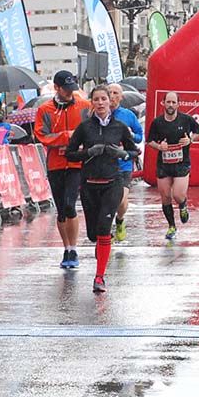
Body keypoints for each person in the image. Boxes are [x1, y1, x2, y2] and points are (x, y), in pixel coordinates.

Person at [65, 85, 140, 293]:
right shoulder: (84, 128)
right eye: (96, 99)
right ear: (92, 102)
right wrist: (88, 152)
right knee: (92, 234)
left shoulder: (119, 127)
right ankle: (101, 248)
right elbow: (70, 154)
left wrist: (122, 154)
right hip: (89, 184)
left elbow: (135, 151)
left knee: (104, 228)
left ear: (110, 102)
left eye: (103, 99)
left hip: (112, 183)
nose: (100, 103)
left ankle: (99, 277)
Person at [34, 70, 89, 268]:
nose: (69, 92)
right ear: (56, 88)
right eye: (66, 89)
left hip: (76, 164)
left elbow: (90, 131)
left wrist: (79, 144)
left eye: (71, 88)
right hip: (55, 164)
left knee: (69, 204)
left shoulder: (84, 106)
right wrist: (66, 137)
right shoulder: (45, 110)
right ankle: (66, 248)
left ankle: (74, 248)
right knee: (61, 210)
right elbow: (41, 136)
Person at [146, 92, 199, 240]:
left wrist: (190, 139)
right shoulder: (157, 122)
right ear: (163, 103)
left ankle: (183, 205)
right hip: (163, 164)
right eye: (168, 102)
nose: (170, 105)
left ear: (178, 104)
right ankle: (171, 226)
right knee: (165, 197)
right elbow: (149, 140)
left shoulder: (186, 119)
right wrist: (159, 146)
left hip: (181, 163)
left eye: (173, 102)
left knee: (178, 194)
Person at [107, 83, 143, 242]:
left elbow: (139, 136)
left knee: (121, 201)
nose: (112, 96)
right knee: (106, 201)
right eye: (109, 92)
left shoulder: (128, 115)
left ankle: (120, 221)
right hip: (105, 165)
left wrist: (130, 135)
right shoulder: (99, 115)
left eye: (115, 93)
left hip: (124, 164)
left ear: (121, 97)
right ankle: (106, 231)